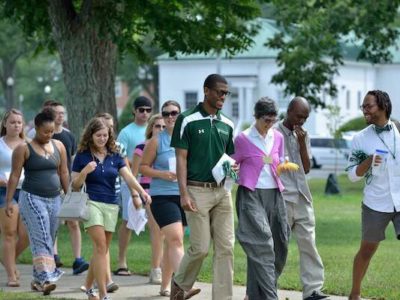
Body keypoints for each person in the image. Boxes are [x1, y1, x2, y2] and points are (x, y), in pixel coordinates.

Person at [170, 74, 236, 300]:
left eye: (226, 93)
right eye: (219, 92)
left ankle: (223, 297)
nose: (223, 97)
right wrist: (183, 193)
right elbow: (181, 159)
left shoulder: (227, 123)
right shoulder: (186, 119)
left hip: (222, 192)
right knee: (200, 248)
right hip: (196, 190)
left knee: (226, 248)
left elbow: (229, 158)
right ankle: (179, 283)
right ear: (206, 91)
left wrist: (232, 177)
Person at [72, 117, 151, 300]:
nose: (102, 139)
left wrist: (141, 193)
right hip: (91, 203)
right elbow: (75, 185)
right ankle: (103, 294)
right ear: (90, 136)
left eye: (105, 135)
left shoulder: (115, 154)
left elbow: (129, 177)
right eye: (98, 135)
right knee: (100, 246)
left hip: (111, 205)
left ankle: (89, 288)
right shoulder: (83, 155)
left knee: (102, 250)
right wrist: (85, 171)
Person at [5, 108, 69, 295]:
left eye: (51, 131)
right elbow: (15, 176)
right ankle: (45, 279)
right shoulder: (23, 149)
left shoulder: (59, 146)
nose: (49, 135)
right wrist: (9, 201)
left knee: (49, 237)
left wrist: (70, 197)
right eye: (45, 131)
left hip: (55, 198)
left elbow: (63, 172)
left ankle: (36, 279)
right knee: (40, 236)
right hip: (32, 198)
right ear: (36, 129)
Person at [141, 101, 201, 298]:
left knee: (172, 243)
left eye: (174, 113)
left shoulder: (189, 139)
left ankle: (166, 286)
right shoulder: (156, 141)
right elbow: (143, 167)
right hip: (162, 197)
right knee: (176, 238)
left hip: (184, 194)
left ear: (180, 114)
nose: (169, 117)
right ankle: (185, 285)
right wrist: (162, 174)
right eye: (166, 114)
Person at [232, 98, 289, 300]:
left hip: (275, 194)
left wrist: (283, 167)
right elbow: (230, 166)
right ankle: (271, 296)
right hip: (251, 195)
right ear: (256, 117)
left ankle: (255, 294)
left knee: (281, 242)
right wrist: (233, 173)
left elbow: (279, 161)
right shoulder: (243, 139)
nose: (270, 124)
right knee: (262, 242)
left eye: (273, 120)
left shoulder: (278, 137)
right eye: (266, 120)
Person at [347, 90, 400, 300]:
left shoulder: (399, 130)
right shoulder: (360, 139)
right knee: (367, 251)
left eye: (368, 105)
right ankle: (355, 294)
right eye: (363, 106)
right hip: (375, 204)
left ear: (383, 106)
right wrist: (367, 162)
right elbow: (352, 175)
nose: (364, 110)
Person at [276, 96, 328, 300]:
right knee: (278, 247)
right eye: (299, 116)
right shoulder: (274, 133)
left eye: (305, 117)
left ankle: (313, 290)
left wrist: (301, 143)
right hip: (282, 197)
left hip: (302, 197)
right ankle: (265, 288)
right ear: (288, 111)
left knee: (309, 244)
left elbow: (306, 168)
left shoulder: (303, 135)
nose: (302, 121)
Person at [49, 101, 89, 274]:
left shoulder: (69, 136)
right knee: (54, 221)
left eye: (62, 113)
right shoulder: (45, 136)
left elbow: (72, 161)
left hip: (68, 184)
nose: (60, 115)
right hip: (50, 184)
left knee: (73, 222)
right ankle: (54, 256)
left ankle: (78, 260)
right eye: (57, 113)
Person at [115, 96, 153, 277]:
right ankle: (122, 261)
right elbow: (120, 159)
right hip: (130, 180)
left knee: (157, 222)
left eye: (148, 110)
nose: (145, 113)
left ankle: (157, 264)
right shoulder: (126, 133)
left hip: (152, 180)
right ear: (134, 111)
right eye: (141, 110)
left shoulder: (153, 129)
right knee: (128, 221)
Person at [132, 113, 165, 284]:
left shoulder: (170, 146)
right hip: (147, 191)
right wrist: (135, 195)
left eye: (163, 126)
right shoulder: (141, 147)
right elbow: (133, 174)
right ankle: (156, 269)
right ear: (151, 128)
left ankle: (166, 268)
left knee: (168, 233)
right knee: (157, 230)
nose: (160, 129)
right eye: (157, 126)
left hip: (167, 191)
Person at [0, 109, 29, 287]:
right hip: (4, 191)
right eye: (12, 122)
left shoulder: (28, 144)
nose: (16, 125)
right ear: (5, 124)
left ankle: (6, 259)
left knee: (26, 236)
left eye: (19, 122)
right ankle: (11, 274)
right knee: (9, 234)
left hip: (25, 190)